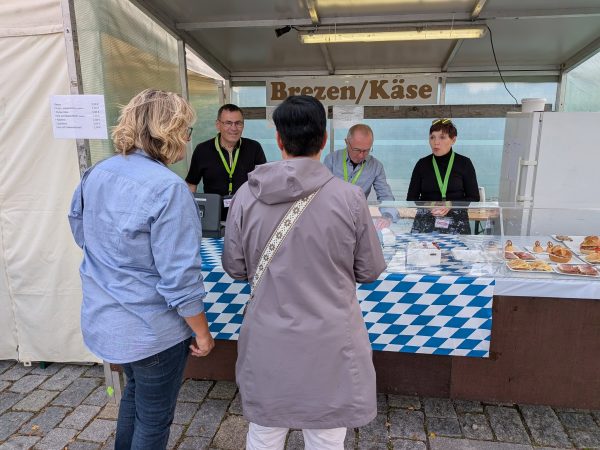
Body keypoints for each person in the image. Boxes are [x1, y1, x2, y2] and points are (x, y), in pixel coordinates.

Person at [222, 96, 386, 450]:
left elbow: (235, 268)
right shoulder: (350, 198)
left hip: (268, 339)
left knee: (264, 434)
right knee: (326, 437)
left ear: (278, 139)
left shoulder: (246, 196)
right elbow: (369, 270)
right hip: (332, 342)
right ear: (325, 140)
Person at [68, 89, 214, 450]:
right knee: (154, 419)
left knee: (133, 396)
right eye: (186, 130)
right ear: (170, 131)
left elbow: (81, 231)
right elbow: (180, 279)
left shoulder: (97, 172)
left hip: (107, 319)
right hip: (153, 330)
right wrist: (203, 333)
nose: (187, 139)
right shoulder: (170, 189)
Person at [185, 104, 267, 219]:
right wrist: (190, 215)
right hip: (213, 216)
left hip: (246, 215)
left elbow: (263, 182)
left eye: (238, 123)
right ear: (218, 125)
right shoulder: (202, 150)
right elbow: (191, 184)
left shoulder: (254, 148)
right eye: (228, 123)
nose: (234, 128)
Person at [406, 118, 480, 234]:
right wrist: (429, 205)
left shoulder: (464, 163)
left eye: (442, 137)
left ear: (453, 140)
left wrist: (450, 204)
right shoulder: (422, 164)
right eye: (432, 137)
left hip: (457, 224)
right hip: (425, 223)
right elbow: (411, 198)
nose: (436, 142)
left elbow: (474, 197)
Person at [323, 123, 400, 226]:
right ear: (346, 142)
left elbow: (385, 196)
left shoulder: (376, 166)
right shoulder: (332, 160)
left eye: (366, 150)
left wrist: (387, 216)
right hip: (331, 218)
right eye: (357, 150)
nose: (361, 155)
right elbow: (322, 193)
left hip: (357, 221)